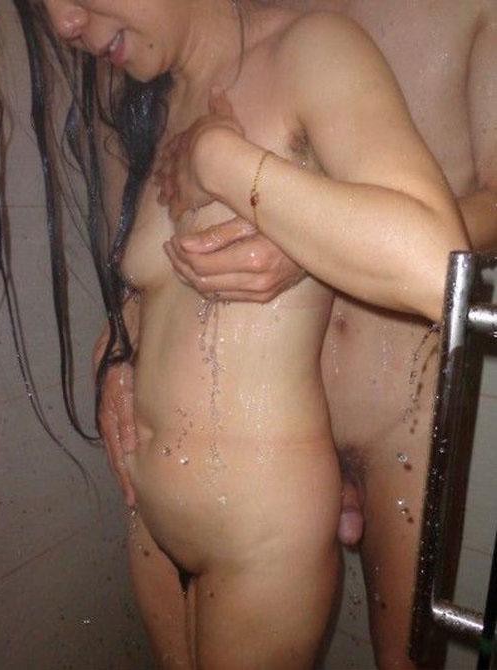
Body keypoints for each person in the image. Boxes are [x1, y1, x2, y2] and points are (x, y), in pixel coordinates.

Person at [37, 0, 467, 667]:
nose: (62, 23)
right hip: (151, 520)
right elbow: (158, 286)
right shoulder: (151, 100)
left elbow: (436, 265)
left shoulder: (310, 47)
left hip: (259, 538)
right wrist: (120, 337)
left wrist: (221, 161)